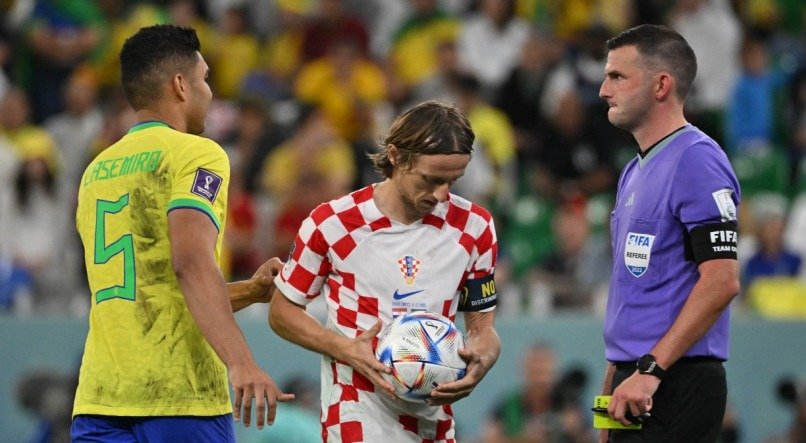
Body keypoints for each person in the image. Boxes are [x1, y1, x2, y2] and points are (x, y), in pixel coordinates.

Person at [71, 25, 293, 442]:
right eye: (205, 79)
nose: (209, 92)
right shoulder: (198, 153)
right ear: (180, 85)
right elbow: (190, 264)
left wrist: (251, 290)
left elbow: (153, 290)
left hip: (99, 399)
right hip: (181, 397)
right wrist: (241, 361)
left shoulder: (95, 171)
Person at [269, 100, 501, 441]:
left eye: (453, 180)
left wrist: (482, 359)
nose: (441, 194)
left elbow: (482, 328)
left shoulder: (474, 227)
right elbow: (282, 311)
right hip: (356, 410)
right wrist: (344, 348)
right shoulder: (333, 223)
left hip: (432, 419)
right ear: (395, 156)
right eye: (431, 179)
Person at [597, 24, 741, 441]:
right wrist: (608, 403)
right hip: (635, 381)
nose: (605, 90)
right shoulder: (634, 170)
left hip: (673, 383)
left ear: (662, 85)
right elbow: (632, 299)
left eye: (618, 76)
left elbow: (722, 282)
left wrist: (651, 370)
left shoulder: (697, 161)